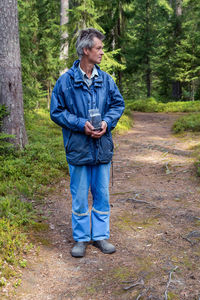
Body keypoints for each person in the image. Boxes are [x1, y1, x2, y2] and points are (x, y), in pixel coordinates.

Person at [50, 28, 125, 258]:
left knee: (102, 194)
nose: (102, 52)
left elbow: (117, 105)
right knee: (80, 196)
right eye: (99, 48)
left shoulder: (106, 80)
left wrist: (106, 122)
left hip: (102, 148)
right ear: (86, 50)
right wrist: (80, 124)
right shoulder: (66, 81)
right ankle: (81, 239)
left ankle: (100, 236)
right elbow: (56, 111)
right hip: (79, 149)